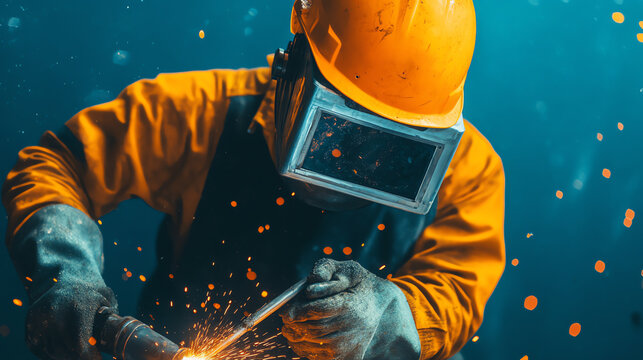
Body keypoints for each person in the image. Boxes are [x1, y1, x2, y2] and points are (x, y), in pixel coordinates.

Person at [2, 1, 505, 359]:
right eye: (337, 133)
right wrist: (66, 273)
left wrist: (389, 320)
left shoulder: (468, 169)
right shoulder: (205, 115)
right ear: (295, 65)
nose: (354, 169)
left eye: (393, 152)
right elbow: (58, 163)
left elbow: (457, 290)